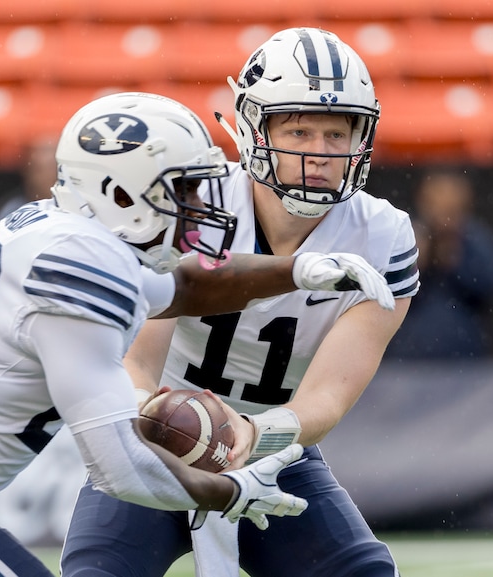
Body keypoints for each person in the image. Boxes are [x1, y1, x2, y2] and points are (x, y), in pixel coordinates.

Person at [0, 91, 396, 576]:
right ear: (117, 191)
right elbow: (121, 467)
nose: (199, 207)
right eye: (181, 188)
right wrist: (231, 490)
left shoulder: (62, 233)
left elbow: (185, 290)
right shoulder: (82, 270)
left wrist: (295, 271)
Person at [61, 29, 420, 577]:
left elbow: (327, 398)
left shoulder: (385, 236)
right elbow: (137, 360)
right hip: (157, 434)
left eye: (335, 134)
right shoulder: (196, 203)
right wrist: (155, 416)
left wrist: (252, 435)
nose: (319, 154)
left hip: (274, 447)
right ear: (253, 128)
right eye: (299, 129)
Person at [385, 168, 493, 360]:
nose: (443, 213)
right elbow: (381, 291)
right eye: (436, 202)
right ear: (423, 200)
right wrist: (414, 264)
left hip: (465, 358)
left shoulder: (475, 239)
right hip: (407, 359)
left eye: (451, 206)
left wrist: (456, 260)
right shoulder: (406, 235)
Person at [0, 135, 59, 226]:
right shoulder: (12, 212)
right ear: (27, 171)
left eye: (54, 169)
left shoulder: (75, 209)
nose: (50, 176)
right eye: (39, 169)